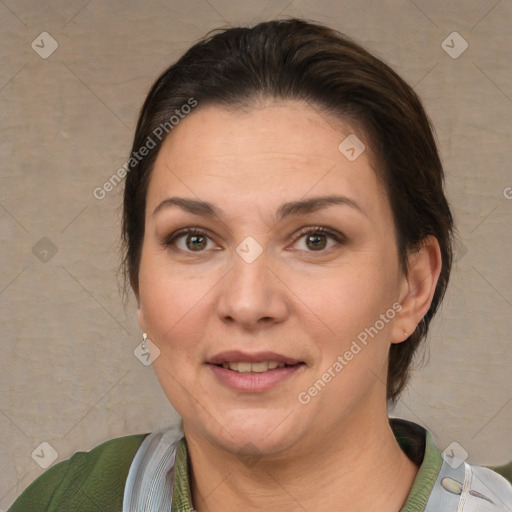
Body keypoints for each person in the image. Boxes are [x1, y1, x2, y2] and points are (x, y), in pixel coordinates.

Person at [8, 18, 512, 512]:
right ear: (139, 280)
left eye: (316, 239)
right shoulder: (68, 502)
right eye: (194, 239)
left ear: (413, 287)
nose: (247, 303)